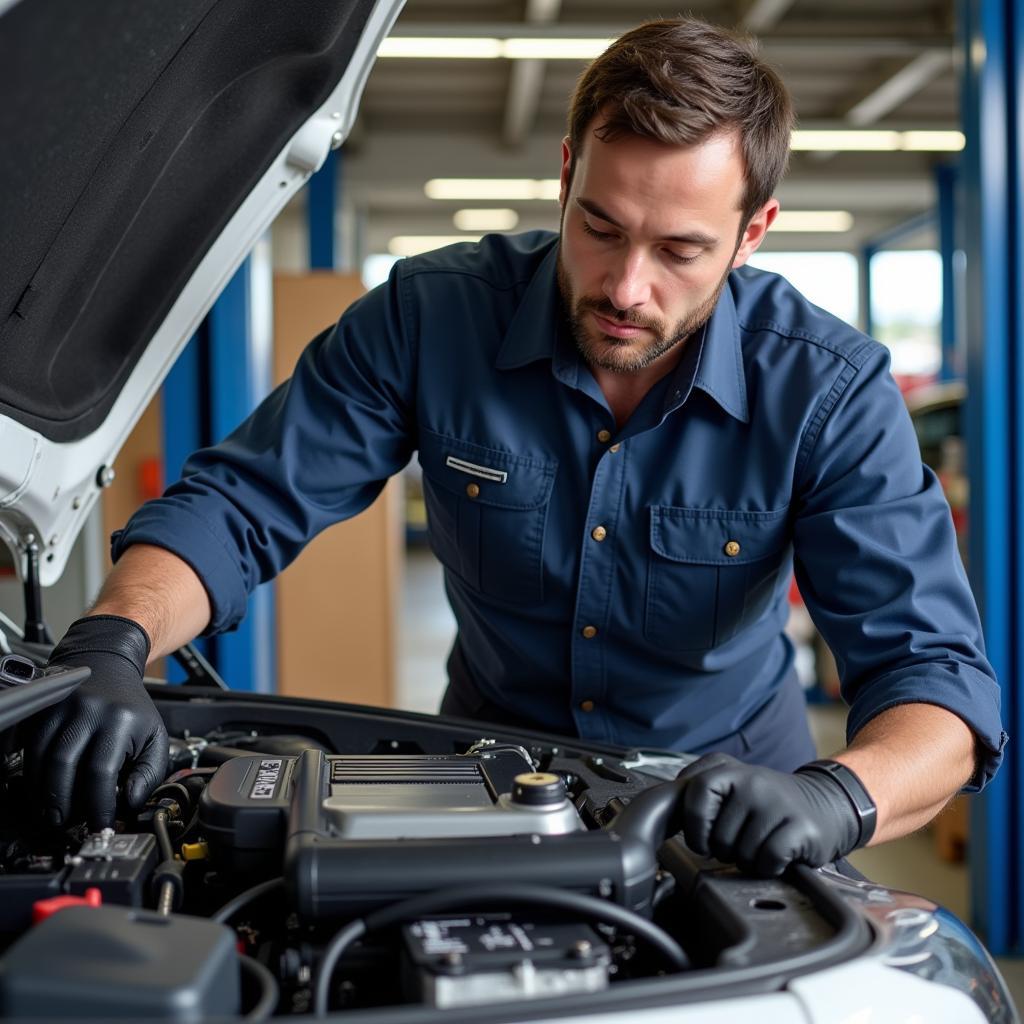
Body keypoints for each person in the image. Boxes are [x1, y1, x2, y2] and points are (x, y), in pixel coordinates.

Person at [29, 17, 1005, 876]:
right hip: (487, 788)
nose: (626, 286)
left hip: (736, 815)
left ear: (752, 234)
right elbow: (241, 506)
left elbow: (935, 687)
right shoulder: (429, 317)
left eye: (679, 250)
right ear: (565, 172)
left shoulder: (827, 391)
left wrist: (835, 797)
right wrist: (115, 637)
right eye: (600, 225)